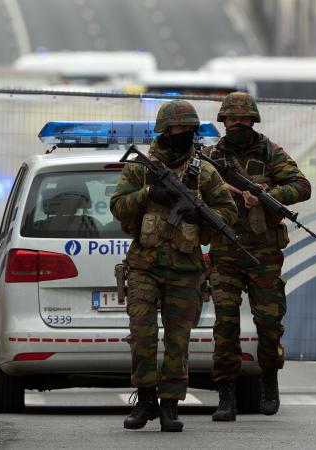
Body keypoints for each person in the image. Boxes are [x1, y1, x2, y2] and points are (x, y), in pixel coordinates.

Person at [110, 100, 238, 431]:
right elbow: (118, 206)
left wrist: (201, 215)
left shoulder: (204, 171)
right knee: (142, 336)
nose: (187, 136)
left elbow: (227, 210)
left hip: (186, 270)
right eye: (181, 130)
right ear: (166, 132)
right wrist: (150, 192)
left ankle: (170, 406)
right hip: (143, 267)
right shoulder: (141, 168)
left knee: (178, 342)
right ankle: (146, 400)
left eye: (191, 130)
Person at [204, 92, 312, 421]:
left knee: (268, 323)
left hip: (264, 253)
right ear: (223, 122)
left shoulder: (270, 152)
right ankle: (226, 394)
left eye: (243, 119)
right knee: (225, 325)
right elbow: (193, 190)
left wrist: (267, 196)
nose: (237, 124)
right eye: (232, 119)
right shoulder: (210, 157)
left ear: (253, 121)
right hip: (225, 250)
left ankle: (269, 377)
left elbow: (301, 185)